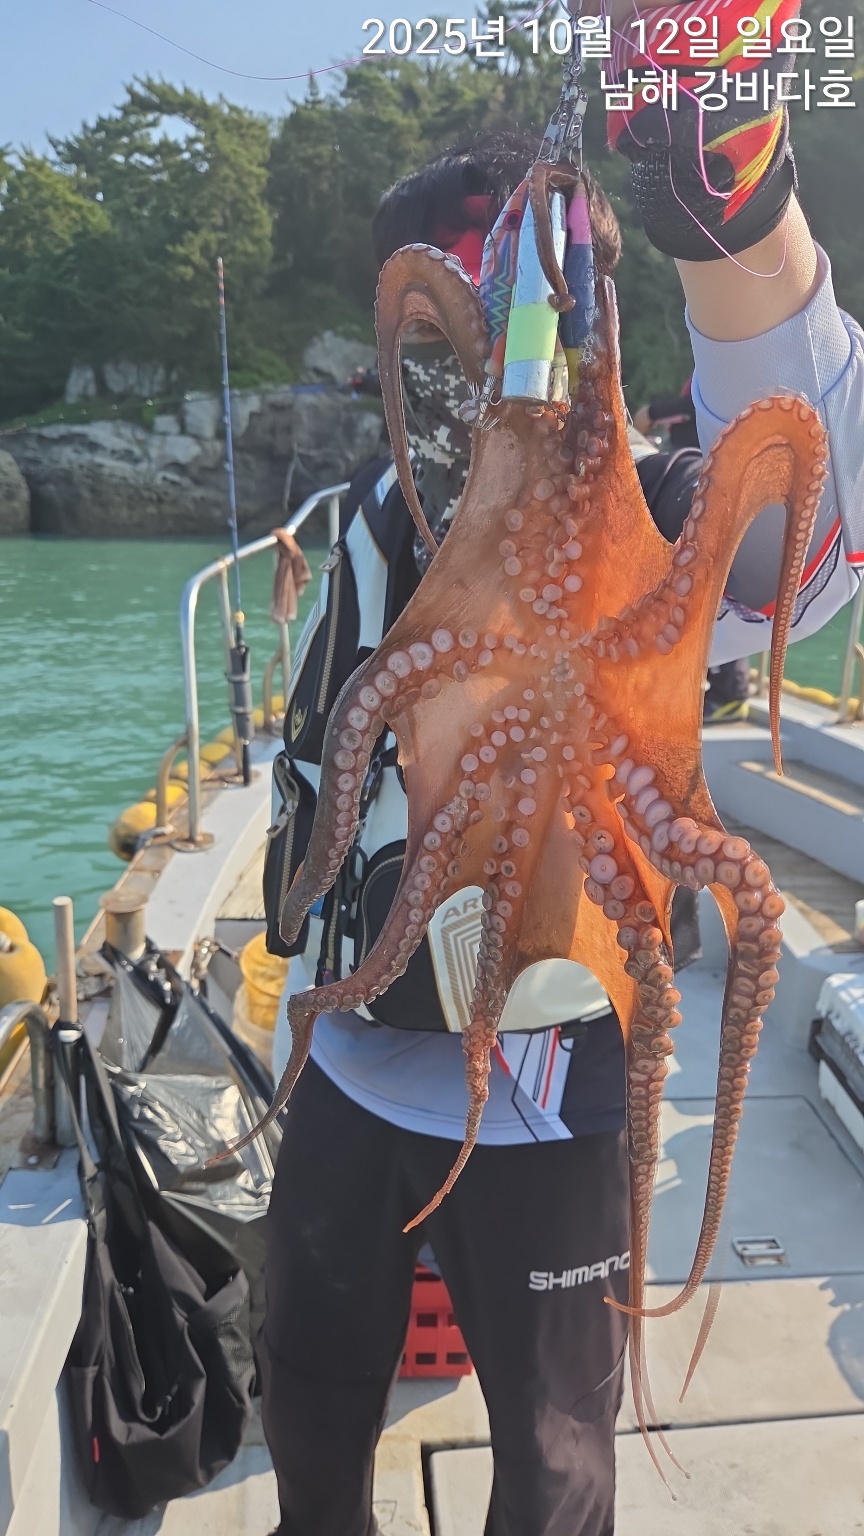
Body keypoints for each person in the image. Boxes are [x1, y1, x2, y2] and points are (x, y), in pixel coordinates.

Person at [258, 6, 864, 1532]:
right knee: (308, 1397)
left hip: (555, 1076)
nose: (480, 363)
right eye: (436, 324)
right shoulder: (366, 515)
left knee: (553, 1460)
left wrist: (737, 216)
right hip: (343, 1046)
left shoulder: (641, 512)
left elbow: (806, 554)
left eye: (509, 303)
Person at [634, 378, 752, 722]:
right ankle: (721, 689)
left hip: (702, 492)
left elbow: (701, 405)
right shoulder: (703, 375)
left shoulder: (718, 376)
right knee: (701, 597)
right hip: (692, 488)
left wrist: (652, 412)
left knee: (715, 595)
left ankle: (731, 692)